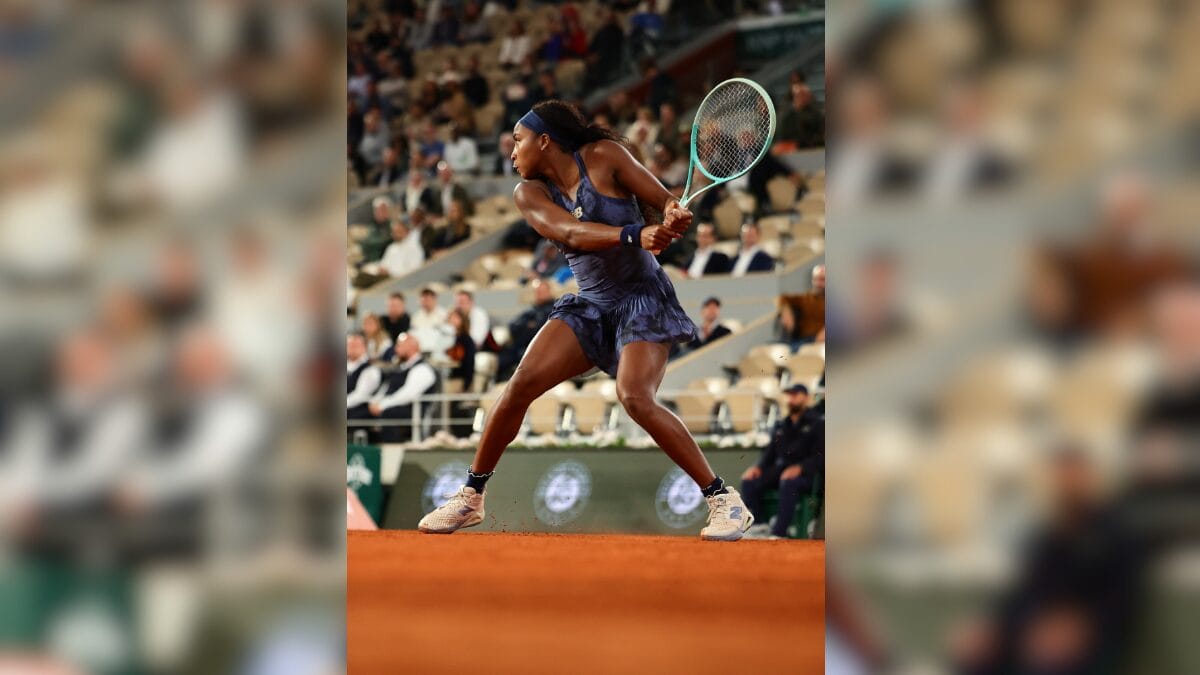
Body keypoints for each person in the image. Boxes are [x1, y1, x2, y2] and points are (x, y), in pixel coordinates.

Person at [418, 99, 753, 541]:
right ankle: (470, 498)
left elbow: (664, 199)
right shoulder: (529, 193)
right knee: (518, 386)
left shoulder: (605, 157)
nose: (512, 151)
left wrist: (673, 210)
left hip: (643, 299)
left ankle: (722, 499)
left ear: (544, 140)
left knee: (634, 397)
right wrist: (635, 234)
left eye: (517, 141)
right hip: (591, 305)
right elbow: (570, 232)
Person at [740, 384, 823, 539]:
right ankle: (759, 525)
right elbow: (769, 453)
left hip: (809, 475)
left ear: (806, 397)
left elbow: (821, 455)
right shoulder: (782, 424)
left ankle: (779, 532)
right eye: (789, 395)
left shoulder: (818, 422)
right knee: (749, 480)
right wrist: (757, 467)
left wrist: (800, 467)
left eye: (795, 395)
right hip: (782, 471)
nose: (791, 399)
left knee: (789, 481)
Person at [368, 333, 439, 442]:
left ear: (412, 347)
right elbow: (386, 388)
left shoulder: (423, 368)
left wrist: (382, 405)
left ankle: (390, 449)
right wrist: (374, 402)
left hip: (411, 411)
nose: (396, 349)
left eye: (399, 346)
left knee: (389, 414)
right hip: (391, 405)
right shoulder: (400, 368)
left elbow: (408, 394)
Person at [496, 278, 556, 377]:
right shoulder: (531, 309)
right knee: (502, 359)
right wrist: (528, 325)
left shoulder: (555, 308)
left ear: (549, 291)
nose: (539, 294)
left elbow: (539, 329)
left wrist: (527, 326)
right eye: (537, 292)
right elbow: (512, 325)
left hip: (541, 348)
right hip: (520, 347)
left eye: (542, 291)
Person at [777, 264, 825, 348]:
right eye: (815, 279)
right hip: (803, 340)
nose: (818, 284)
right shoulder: (805, 297)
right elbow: (784, 298)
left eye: (822, 280)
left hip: (822, 341)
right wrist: (786, 310)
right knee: (777, 350)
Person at [347, 331, 383, 435]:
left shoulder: (370, 370)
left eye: (356, 345)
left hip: (358, 410)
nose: (352, 348)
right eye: (349, 345)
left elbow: (361, 395)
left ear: (364, 347)